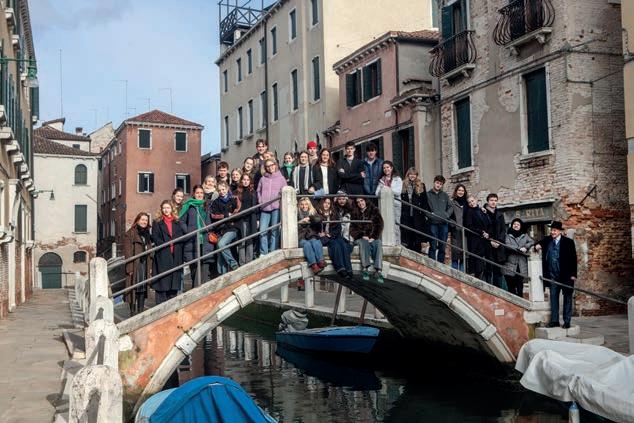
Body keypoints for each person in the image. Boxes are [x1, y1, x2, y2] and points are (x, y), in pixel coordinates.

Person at [535, 221, 577, 328]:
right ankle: (554, 321)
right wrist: (537, 245)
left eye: (554, 230)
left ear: (560, 231)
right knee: (553, 298)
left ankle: (567, 321)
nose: (552, 232)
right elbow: (538, 243)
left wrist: (573, 274)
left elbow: (573, 258)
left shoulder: (568, 242)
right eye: (551, 230)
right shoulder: (548, 240)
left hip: (566, 275)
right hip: (552, 276)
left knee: (567, 298)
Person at [179, 185, 215, 288]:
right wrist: (188, 231)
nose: (199, 195)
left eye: (201, 193)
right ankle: (195, 292)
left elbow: (213, 219)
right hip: (192, 240)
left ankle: (199, 292)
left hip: (205, 240)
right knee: (194, 270)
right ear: (194, 194)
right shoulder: (189, 206)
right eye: (197, 193)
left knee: (204, 267)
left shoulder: (208, 205)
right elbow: (181, 221)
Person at [151, 201, 185, 304]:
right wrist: (165, 245)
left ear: (172, 209)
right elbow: (155, 237)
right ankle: (161, 306)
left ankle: (172, 305)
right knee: (163, 281)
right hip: (163, 254)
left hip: (176, 254)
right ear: (161, 209)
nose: (166, 210)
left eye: (168, 208)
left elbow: (181, 236)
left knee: (174, 281)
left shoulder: (177, 221)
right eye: (164, 208)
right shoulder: (157, 222)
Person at [123, 212, 152, 315]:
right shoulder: (130, 233)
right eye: (142, 219)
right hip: (135, 264)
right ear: (137, 220)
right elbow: (128, 252)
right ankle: (132, 312)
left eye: (146, 220)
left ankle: (140, 310)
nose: (144, 222)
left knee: (142, 287)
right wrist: (129, 267)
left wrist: (150, 266)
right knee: (133, 287)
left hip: (144, 263)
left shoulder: (147, 234)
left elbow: (150, 250)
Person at [350, 197, 384, 282]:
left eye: (362, 201)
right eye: (358, 202)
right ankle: (365, 268)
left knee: (378, 243)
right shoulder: (354, 213)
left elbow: (379, 225)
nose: (360, 203)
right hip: (360, 238)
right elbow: (352, 229)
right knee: (364, 242)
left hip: (372, 237)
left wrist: (373, 237)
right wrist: (362, 235)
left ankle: (378, 269)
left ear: (365, 201)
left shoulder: (374, 210)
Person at [257, 159, 287, 255]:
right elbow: (258, 191)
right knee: (262, 231)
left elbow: (285, 191)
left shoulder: (281, 178)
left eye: (272, 165)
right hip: (264, 208)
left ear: (275, 165)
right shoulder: (263, 179)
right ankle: (263, 252)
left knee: (274, 231)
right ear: (265, 168)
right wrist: (260, 200)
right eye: (268, 166)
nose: (270, 167)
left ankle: (273, 252)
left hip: (276, 208)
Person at [318, 197, 353, 278]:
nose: (326, 205)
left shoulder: (334, 214)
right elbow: (316, 229)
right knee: (335, 245)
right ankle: (340, 269)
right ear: (322, 203)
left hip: (333, 235)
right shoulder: (318, 213)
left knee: (343, 244)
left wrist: (330, 234)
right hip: (324, 238)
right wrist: (325, 234)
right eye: (325, 203)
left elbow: (338, 228)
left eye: (328, 203)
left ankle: (349, 269)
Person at [210, 182, 240, 273]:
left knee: (221, 245)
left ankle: (233, 263)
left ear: (227, 189)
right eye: (219, 190)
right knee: (220, 253)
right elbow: (213, 215)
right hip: (220, 229)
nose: (221, 192)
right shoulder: (215, 202)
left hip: (231, 228)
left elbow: (237, 211)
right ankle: (222, 274)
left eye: (223, 189)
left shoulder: (233, 200)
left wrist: (230, 215)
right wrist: (226, 215)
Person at [400, 168, 430, 253]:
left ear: (416, 175)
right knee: (408, 235)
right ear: (408, 175)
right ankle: (409, 253)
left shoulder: (421, 185)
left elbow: (424, 200)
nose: (412, 176)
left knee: (417, 236)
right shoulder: (403, 184)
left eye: (414, 174)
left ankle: (417, 254)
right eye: (410, 174)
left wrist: (424, 213)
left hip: (418, 214)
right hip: (406, 214)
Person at [503, 218, 533, 297]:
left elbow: (532, 242)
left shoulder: (525, 235)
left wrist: (526, 247)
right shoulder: (507, 235)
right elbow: (507, 245)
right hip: (510, 264)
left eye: (518, 224)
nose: (516, 226)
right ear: (512, 225)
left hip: (521, 265)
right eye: (514, 224)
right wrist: (519, 249)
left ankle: (520, 302)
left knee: (520, 288)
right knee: (511, 288)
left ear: (520, 226)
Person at [427, 175, 453, 263]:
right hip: (433, 223)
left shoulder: (445, 195)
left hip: (443, 224)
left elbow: (450, 207)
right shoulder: (428, 194)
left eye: (440, 184)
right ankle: (431, 265)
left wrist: (446, 215)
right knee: (433, 245)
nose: (438, 185)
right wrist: (432, 216)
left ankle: (440, 265)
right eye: (437, 183)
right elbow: (425, 209)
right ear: (434, 182)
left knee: (442, 246)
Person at [483, 193, 507, 289]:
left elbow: (503, 230)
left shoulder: (500, 214)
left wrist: (499, 241)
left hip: (498, 245)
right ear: (488, 201)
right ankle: (488, 289)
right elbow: (483, 228)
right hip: (488, 244)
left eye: (495, 200)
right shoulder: (483, 212)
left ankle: (498, 290)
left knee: (498, 270)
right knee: (488, 268)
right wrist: (490, 240)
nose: (493, 202)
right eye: (491, 200)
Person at [376, 160, 403, 244]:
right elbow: (376, 193)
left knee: (396, 224)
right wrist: (385, 189)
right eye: (384, 168)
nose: (386, 169)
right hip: (384, 206)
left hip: (395, 204)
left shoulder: (397, 179)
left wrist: (386, 189)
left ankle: (397, 243)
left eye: (387, 167)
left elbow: (398, 192)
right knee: (385, 224)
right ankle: (386, 242)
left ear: (391, 168)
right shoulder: (381, 180)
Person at [235, 173, 258, 265]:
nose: (246, 181)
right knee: (242, 240)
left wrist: (257, 219)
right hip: (241, 219)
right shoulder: (237, 192)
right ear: (241, 180)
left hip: (251, 218)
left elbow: (256, 206)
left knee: (250, 240)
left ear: (250, 181)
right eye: (244, 179)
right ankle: (242, 263)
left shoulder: (253, 192)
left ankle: (249, 262)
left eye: (247, 180)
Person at [298, 197, 325, 274]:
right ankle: (314, 265)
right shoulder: (296, 214)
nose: (304, 206)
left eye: (306, 204)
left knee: (315, 242)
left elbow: (319, 221)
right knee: (307, 244)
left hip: (311, 236)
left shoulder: (313, 213)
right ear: (299, 205)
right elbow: (292, 226)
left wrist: (310, 218)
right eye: (302, 204)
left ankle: (320, 261)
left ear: (309, 205)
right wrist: (301, 222)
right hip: (300, 238)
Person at [463, 195, 488, 280]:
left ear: (476, 200)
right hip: (474, 239)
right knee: (475, 260)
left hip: (482, 239)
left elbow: (486, 223)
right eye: (469, 202)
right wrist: (482, 232)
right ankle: (476, 278)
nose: (471, 203)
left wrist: (486, 233)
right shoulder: (469, 212)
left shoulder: (481, 210)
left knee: (481, 261)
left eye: (472, 201)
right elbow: (469, 226)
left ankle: (479, 278)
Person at [450, 184, 468, 271]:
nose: (461, 192)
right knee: (455, 254)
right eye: (459, 190)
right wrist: (454, 225)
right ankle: (454, 274)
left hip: (465, 232)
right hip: (456, 231)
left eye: (462, 190)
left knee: (463, 256)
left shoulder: (467, 203)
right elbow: (449, 215)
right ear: (456, 192)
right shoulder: (452, 203)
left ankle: (462, 274)